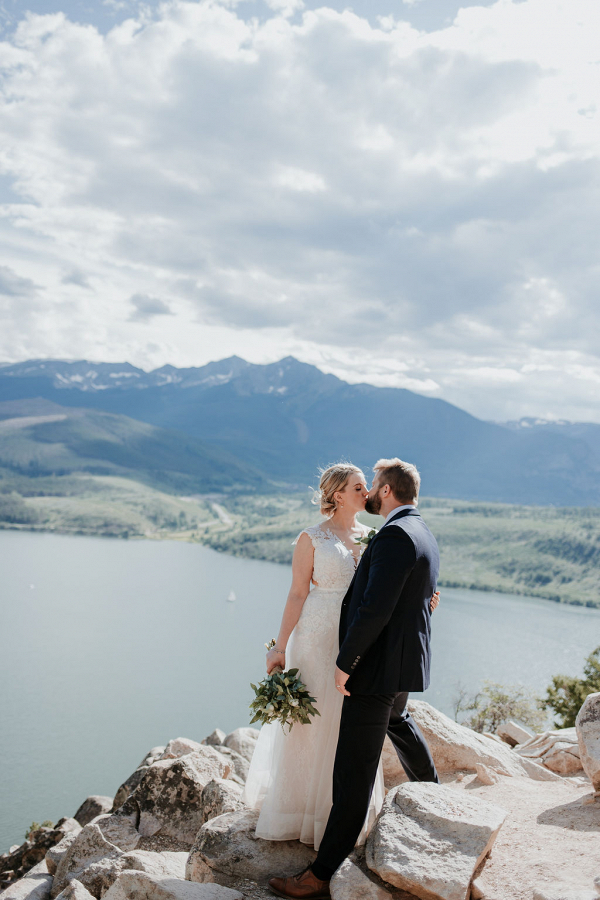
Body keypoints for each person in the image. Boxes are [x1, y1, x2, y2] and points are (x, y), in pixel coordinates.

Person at [244, 462, 440, 855]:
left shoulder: (376, 536)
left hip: (358, 643)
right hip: (318, 639)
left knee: (348, 726)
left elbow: (389, 591)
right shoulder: (311, 538)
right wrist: (280, 647)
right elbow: (297, 593)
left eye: (368, 485)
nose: (365, 491)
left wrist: (424, 599)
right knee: (314, 723)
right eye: (357, 486)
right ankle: (299, 810)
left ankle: (335, 815)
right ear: (337, 495)